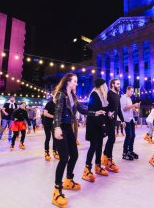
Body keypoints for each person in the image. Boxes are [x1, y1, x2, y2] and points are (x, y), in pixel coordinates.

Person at [52, 73, 105, 208]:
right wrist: (57, 127)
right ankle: (57, 190)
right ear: (68, 82)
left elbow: (81, 109)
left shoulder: (73, 96)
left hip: (68, 128)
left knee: (74, 155)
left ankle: (68, 180)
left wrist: (95, 113)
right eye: (75, 81)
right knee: (64, 158)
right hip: (60, 128)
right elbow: (58, 112)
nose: (76, 83)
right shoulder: (61, 95)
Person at [83, 78, 109, 182]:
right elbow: (93, 111)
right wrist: (102, 124)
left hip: (99, 125)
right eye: (105, 85)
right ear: (102, 86)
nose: (106, 87)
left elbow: (103, 110)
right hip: (94, 125)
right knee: (93, 146)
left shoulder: (101, 96)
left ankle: (97, 166)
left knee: (99, 146)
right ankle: (87, 169)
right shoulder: (94, 95)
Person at [102, 78, 125, 173]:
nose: (119, 85)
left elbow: (119, 109)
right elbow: (104, 105)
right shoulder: (109, 94)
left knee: (111, 139)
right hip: (108, 120)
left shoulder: (117, 95)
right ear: (112, 85)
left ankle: (105, 157)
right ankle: (109, 160)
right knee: (112, 139)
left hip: (114, 120)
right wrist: (108, 112)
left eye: (119, 84)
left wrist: (123, 120)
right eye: (117, 84)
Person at [121, 86, 140, 161]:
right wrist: (133, 105)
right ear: (127, 90)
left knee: (133, 135)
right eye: (131, 91)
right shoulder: (123, 98)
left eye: (133, 91)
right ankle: (125, 152)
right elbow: (124, 108)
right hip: (126, 119)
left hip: (131, 118)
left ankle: (130, 150)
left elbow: (130, 108)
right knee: (128, 135)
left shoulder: (129, 99)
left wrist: (135, 107)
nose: (132, 93)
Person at [43, 95, 59, 161]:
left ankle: (55, 151)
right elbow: (45, 113)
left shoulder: (58, 104)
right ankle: (46, 152)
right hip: (47, 122)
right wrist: (53, 116)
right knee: (48, 137)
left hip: (54, 123)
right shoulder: (49, 103)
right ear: (54, 97)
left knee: (55, 137)